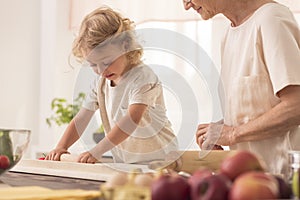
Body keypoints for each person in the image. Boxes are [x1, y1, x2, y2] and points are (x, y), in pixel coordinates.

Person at [45, 6, 178, 164]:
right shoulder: (101, 83)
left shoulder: (142, 77)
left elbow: (132, 119)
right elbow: (81, 118)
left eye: (107, 62)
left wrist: (97, 150)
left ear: (126, 46)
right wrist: (61, 146)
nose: (101, 70)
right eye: (93, 64)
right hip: (127, 163)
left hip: (162, 159)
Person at [183, 0, 300, 175]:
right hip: (250, 182)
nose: (186, 5)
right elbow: (258, 108)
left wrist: (232, 134)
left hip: (282, 183)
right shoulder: (229, 34)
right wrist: (219, 131)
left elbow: (296, 106)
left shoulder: (271, 20)